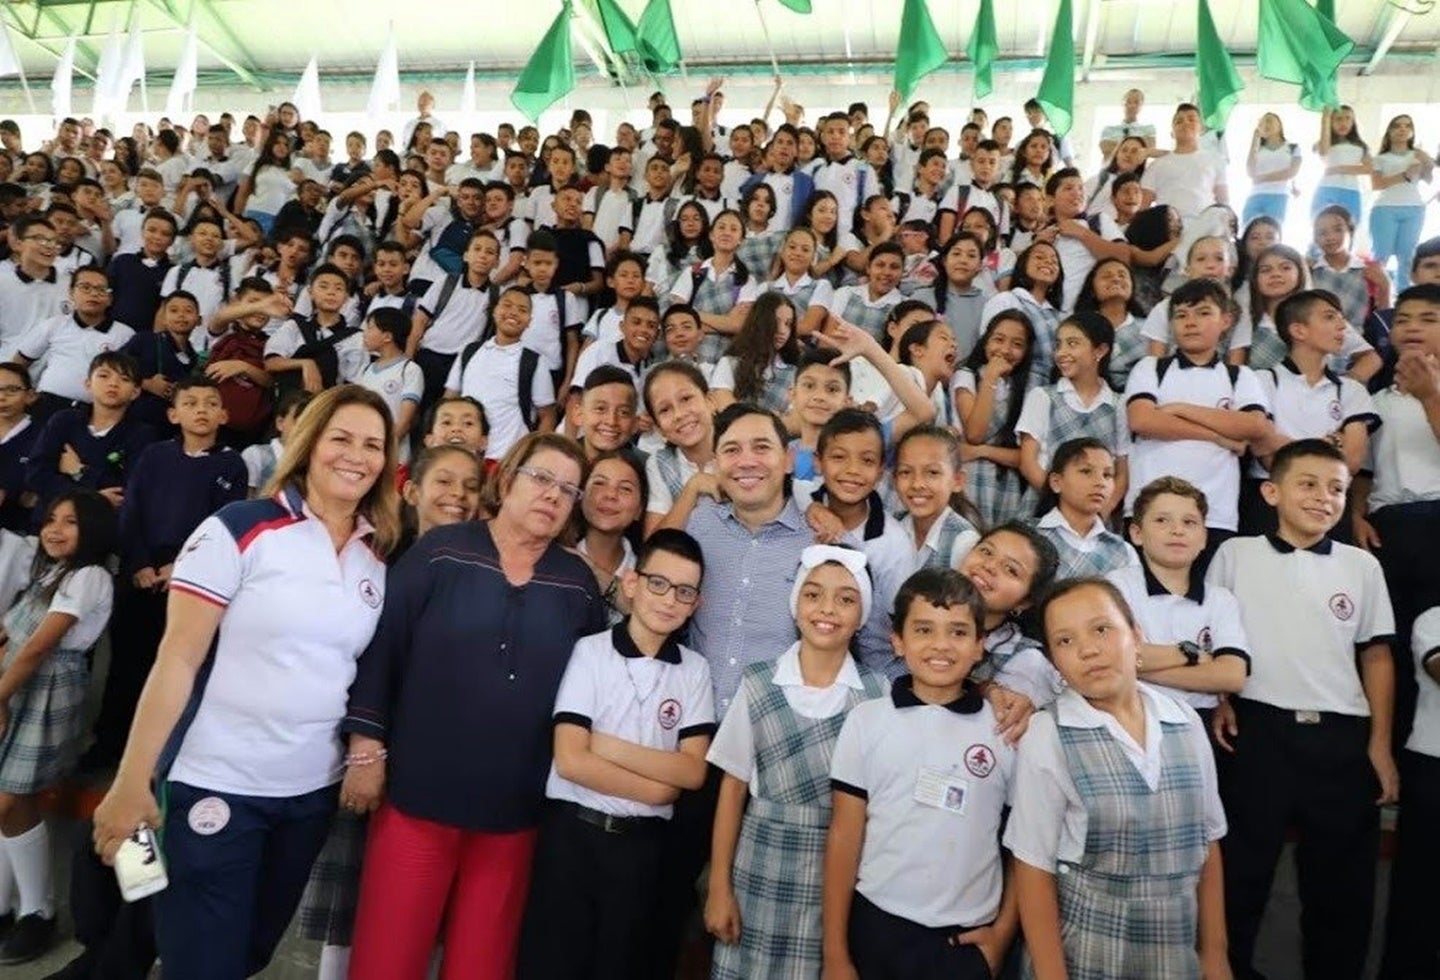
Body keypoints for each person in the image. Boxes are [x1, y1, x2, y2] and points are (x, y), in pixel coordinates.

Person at [89, 385, 400, 980]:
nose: (356, 455)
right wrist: (131, 780)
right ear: (308, 444)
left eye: (373, 444)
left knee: (250, 955)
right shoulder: (238, 527)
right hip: (218, 783)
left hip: (309, 797)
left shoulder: (376, 556)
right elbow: (176, 659)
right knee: (204, 964)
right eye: (341, 438)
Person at [342, 433, 605, 980]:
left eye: (568, 490)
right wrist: (366, 750)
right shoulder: (440, 552)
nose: (553, 496)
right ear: (506, 480)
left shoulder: (578, 584)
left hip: (516, 811)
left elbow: (590, 693)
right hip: (417, 798)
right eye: (542, 479)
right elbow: (383, 650)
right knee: (388, 958)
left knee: (481, 964)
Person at [1210, 438, 1397, 980]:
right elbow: (1216, 638)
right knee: (1240, 878)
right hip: (1258, 730)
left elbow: (1378, 656)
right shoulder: (1234, 555)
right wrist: (1221, 700)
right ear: (1271, 491)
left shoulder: (1362, 566)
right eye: (1308, 484)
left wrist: (1379, 746)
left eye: (1337, 489)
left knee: (1342, 889)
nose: (1323, 498)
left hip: (1340, 738)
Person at [1006, 577, 1230, 980]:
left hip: (1176, 956)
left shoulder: (1186, 721)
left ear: (1136, 635)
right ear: (1055, 661)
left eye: (1102, 629)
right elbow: (1033, 868)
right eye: (1065, 641)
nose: (1088, 650)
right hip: (1088, 956)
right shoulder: (1049, 733)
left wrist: (1215, 956)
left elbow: (1208, 844)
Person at [518, 529, 714, 979]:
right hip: (572, 835)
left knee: (621, 962)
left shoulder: (694, 670)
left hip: (641, 849)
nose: (668, 600)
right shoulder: (592, 651)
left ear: (696, 604)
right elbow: (570, 760)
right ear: (631, 582)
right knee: (551, 962)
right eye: (658, 583)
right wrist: (657, 788)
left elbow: (692, 771)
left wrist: (603, 745)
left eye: (684, 592)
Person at [824, 568, 1017, 980]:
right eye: (924, 629)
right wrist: (835, 953)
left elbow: (1026, 846)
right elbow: (844, 836)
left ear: (981, 645)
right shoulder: (867, 720)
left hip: (965, 942)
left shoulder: (1005, 729)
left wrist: (1001, 936)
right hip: (877, 925)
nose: (941, 645)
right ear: (897, 641)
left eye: (959, 632)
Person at [705, 545, 886, 979]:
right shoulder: (758, 683)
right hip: (759, 869)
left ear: (862, 615)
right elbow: (732, 790)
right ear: (795, 605)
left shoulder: (876, 696)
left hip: (840, 875)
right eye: (813, 594)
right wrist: (718, 886)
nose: (827, 609)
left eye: (846, 599)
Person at [0, 491, 116, 965]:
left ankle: (40, 913)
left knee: (7, 799)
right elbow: (10, 635)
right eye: (50, 519)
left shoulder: (90, 576)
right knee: (13, 805)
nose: (55, 529)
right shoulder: (49, 572)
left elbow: (37, 648)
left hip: (44, 690)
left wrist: (0, 697)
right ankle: (15, 909)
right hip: (13, 685)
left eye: (70, 521)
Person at [1033, 438, 1137, 579]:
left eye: (1107, 475)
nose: (1101, 483)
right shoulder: (1029, 537)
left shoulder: (1124, 552)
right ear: (1056, 482)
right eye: (1086, 471)